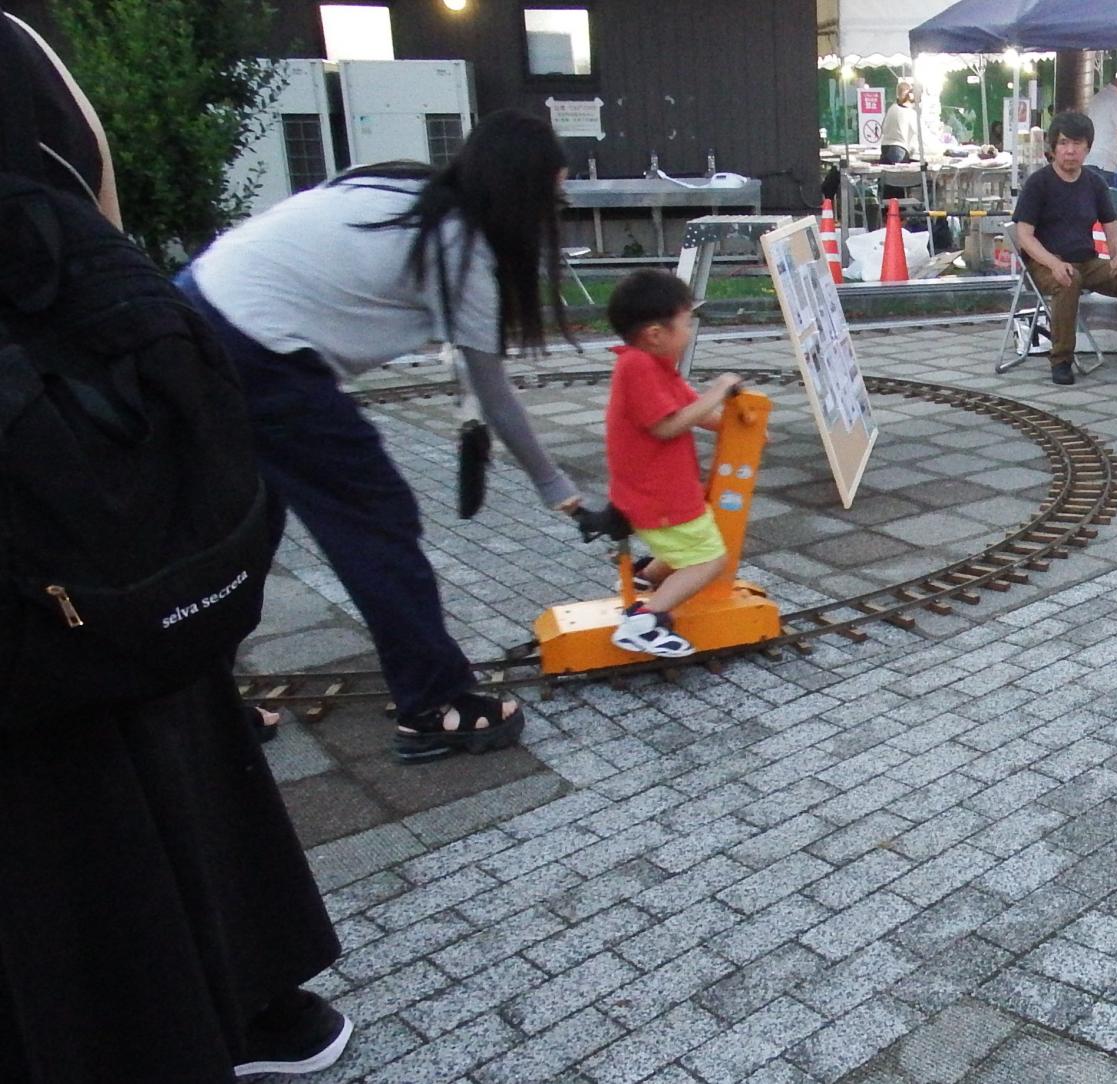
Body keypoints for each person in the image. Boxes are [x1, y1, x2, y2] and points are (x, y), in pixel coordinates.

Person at [2, 13, 347, 1081]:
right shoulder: (20, 53)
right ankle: (246, 999)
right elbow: (99, 210)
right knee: (164, 740)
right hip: (114, 524)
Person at [177, 109, 586, 763]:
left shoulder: (401, 186)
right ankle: (435, 703)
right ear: (522, 193)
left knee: (241, 527)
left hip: (192, 309)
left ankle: (197, 707)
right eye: (554, 198)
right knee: (375, 519)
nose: (554, 214)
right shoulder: (461, 249)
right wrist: (554, 486)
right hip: (260, 350)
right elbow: (496, 395)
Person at [602, 272, 742, 657]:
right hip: (657, 496)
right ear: (655, 333)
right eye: (685, 322)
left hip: (659, 491)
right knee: (711, 559)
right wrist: (719, 390)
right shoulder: (638, 368)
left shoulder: (655, 364)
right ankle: (643, 623)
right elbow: (666, 426)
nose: (690, 330)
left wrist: (739, 427)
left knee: (693, 540)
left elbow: (694, 410)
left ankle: (645, 579)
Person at [1012, 111, 1117, 385]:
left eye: (1077, 144)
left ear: (1088, 148)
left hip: (1087, 261)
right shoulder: (1038, 183)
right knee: (1068, 279)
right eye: (1063, 143)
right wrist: (1053, 263)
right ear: (1053, 147)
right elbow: (1024, 236)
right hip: (1045, 263)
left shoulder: (1094, 182)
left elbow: (1111, 225)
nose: (1070, 151)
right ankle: (1061, 359)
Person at [880, 81, 919, 164]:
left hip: (884, 148)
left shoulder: (891, 109)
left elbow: (883, 129)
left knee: (886, 172)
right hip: (899, 149)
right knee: (899, 172)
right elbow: (920, 134)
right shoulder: (910, 113)